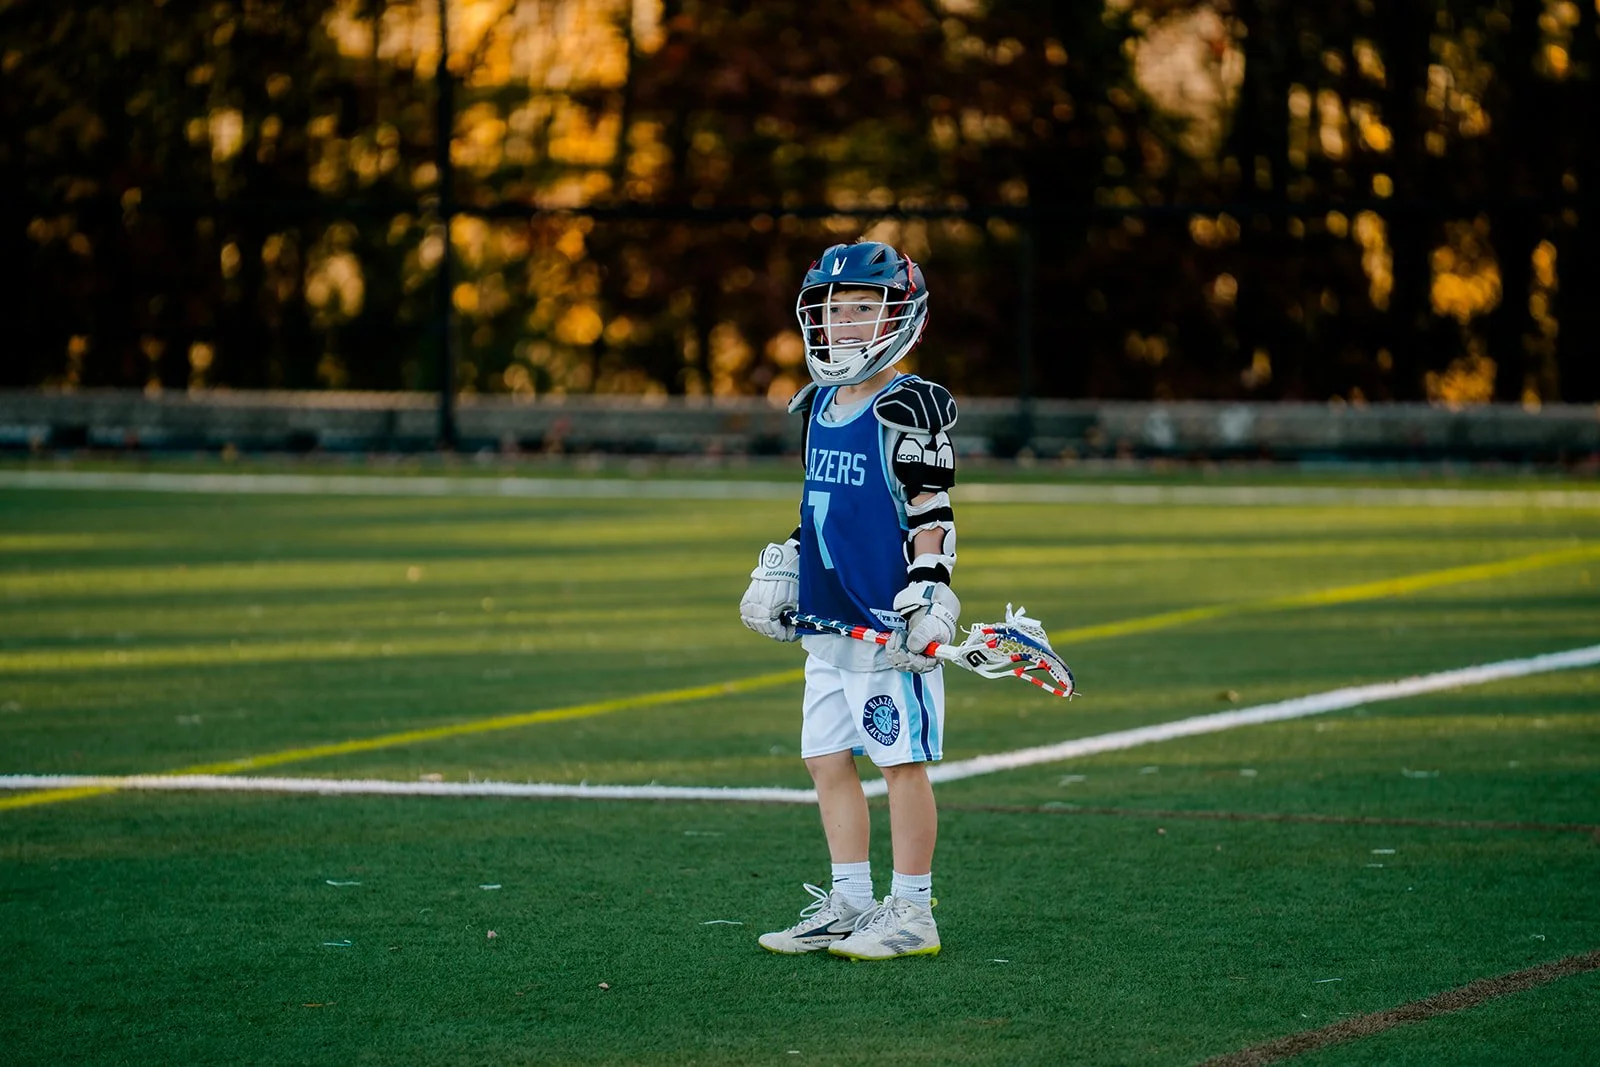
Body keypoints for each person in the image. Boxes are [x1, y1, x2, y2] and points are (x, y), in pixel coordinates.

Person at [739, 240, 959, 961]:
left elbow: (931, 514)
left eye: (865, 308)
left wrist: (930, 593)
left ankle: (914, 910)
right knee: (826, 757)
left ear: (901, 318)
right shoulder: (819, 403)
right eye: (836, 310)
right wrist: (789, 566)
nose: (846, 323)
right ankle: (850, 902)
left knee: (900, 764)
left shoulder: (909, 406)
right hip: (827, 625)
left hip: (885, 626)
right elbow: (819, 504)